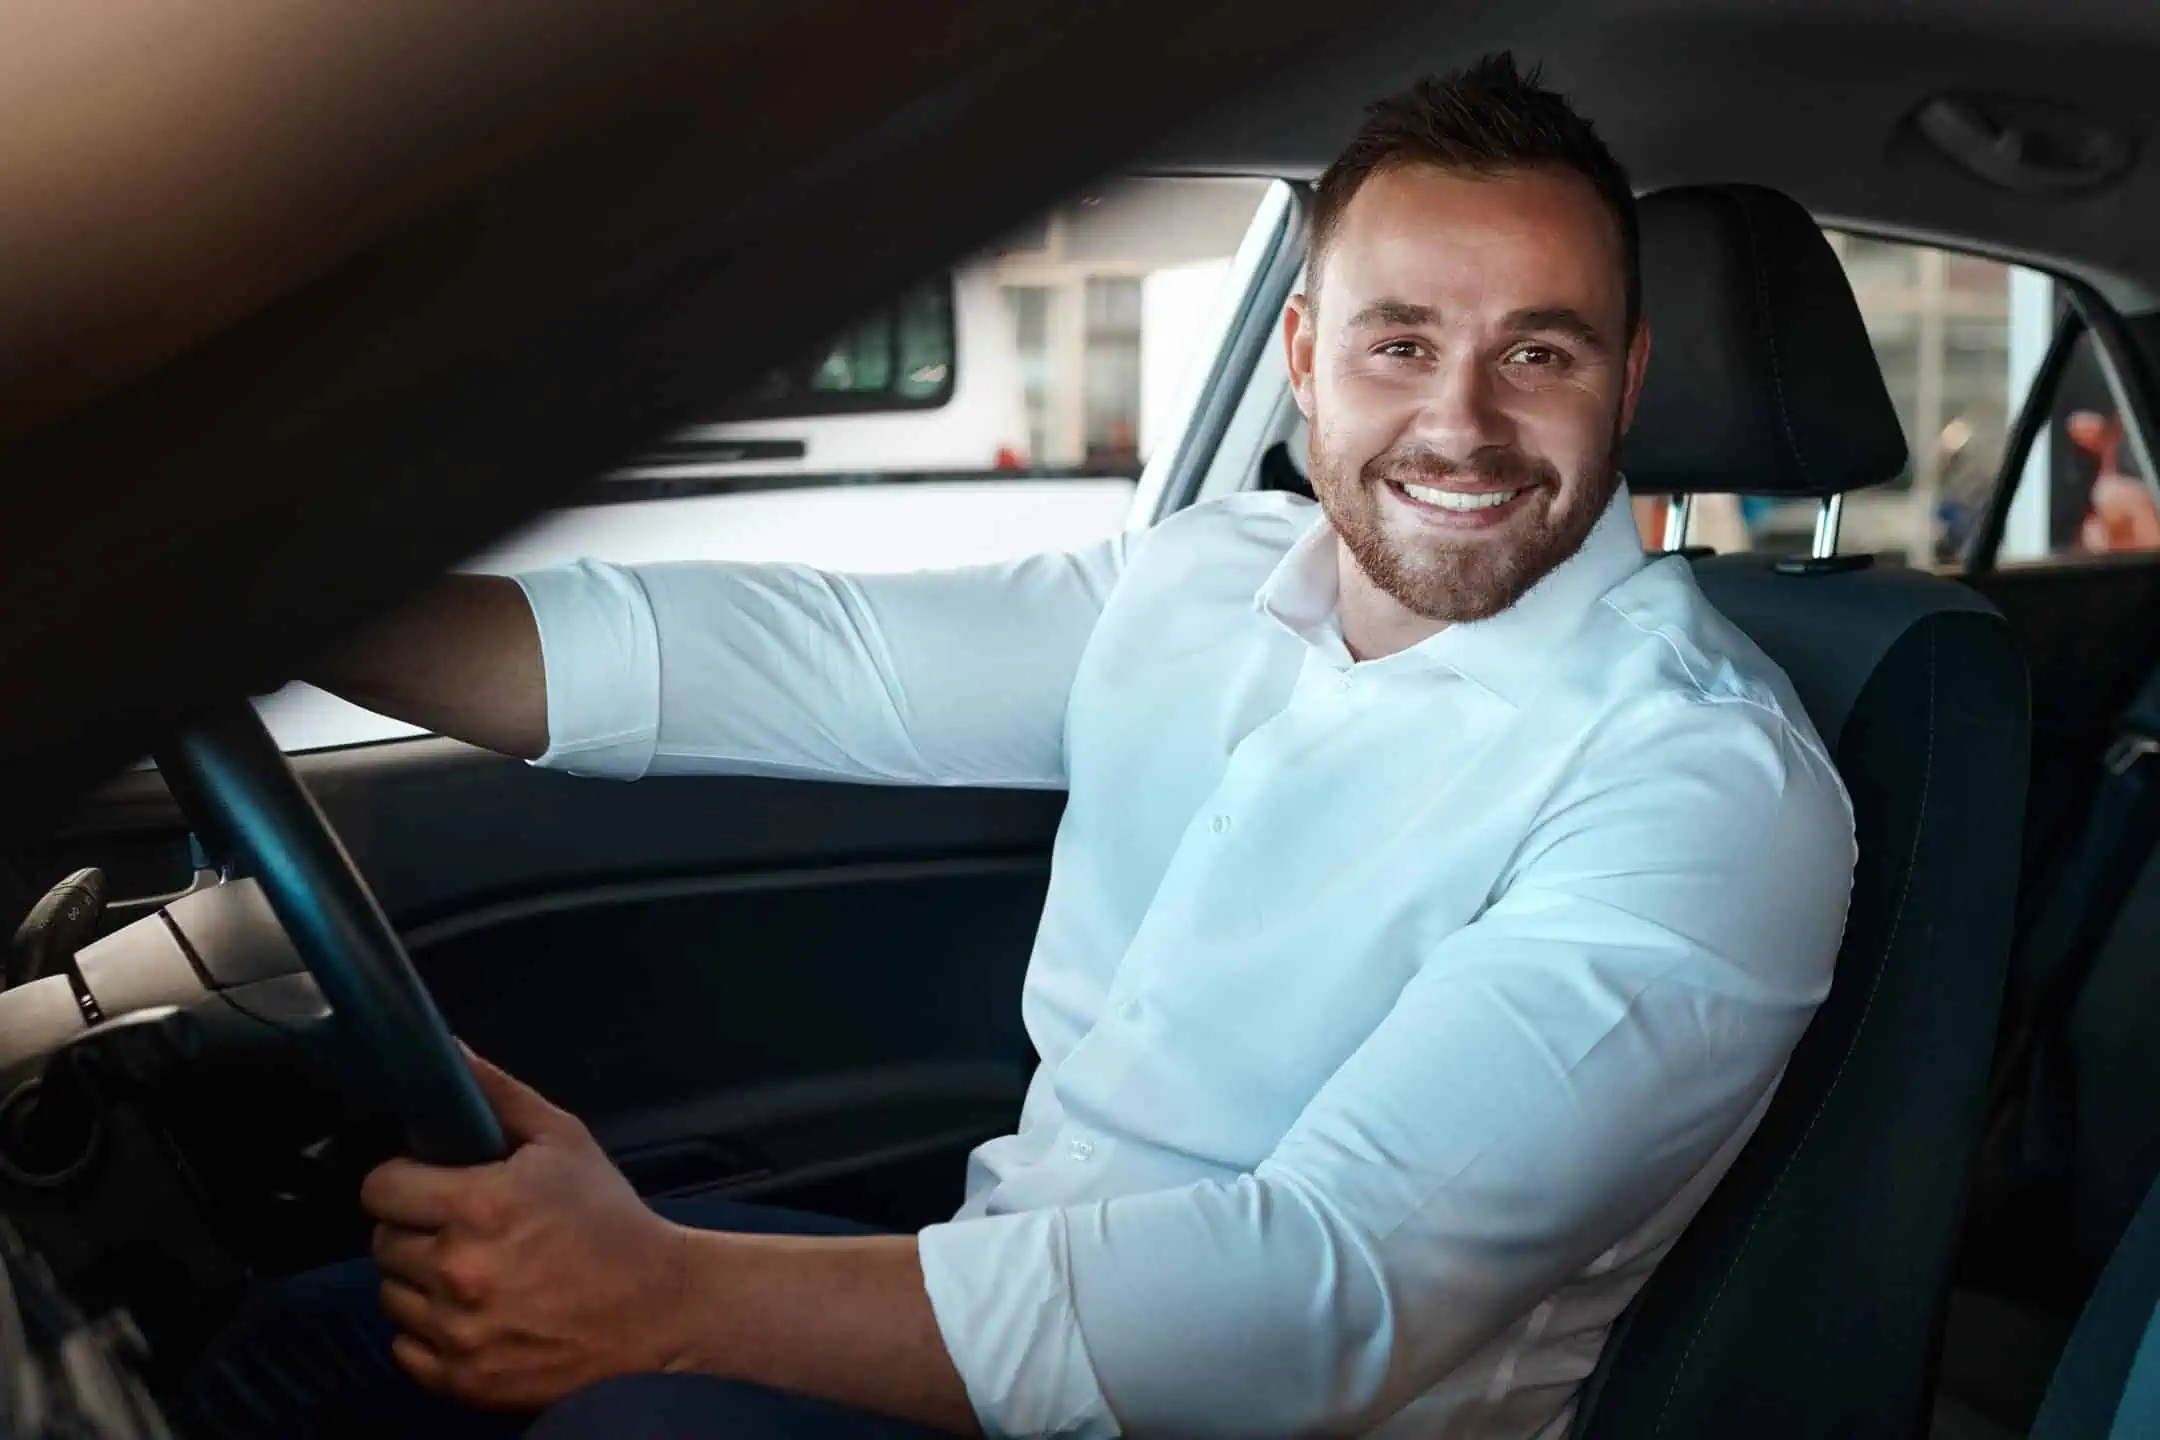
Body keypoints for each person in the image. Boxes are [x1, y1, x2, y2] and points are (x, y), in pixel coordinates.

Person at [188, 53, 1854, 1439]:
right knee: (311, 1352)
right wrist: (242, 601)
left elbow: (1327, 1296)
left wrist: (666, 1298)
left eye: (1539, 354)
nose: (1462, 422)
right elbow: (767, 658)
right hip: (998, 1299)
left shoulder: (1702, 785)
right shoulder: (1203, 579)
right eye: (1400, 342)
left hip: (1256, 1411)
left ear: (1625, 383)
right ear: (1300, 360)